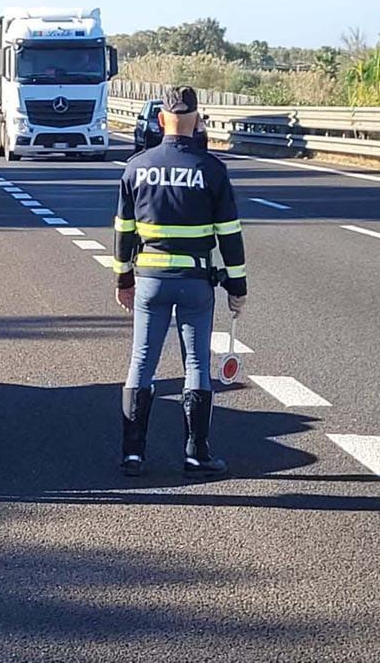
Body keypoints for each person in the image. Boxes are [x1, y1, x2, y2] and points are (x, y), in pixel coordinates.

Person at [112, 86, 248, 478]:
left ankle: (133, 455)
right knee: (197, 363)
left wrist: (123, 278)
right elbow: (230, 235)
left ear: (161, 120)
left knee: (141, 361)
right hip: (195, 282)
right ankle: (195, 454)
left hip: (150, 280)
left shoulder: (137, 167)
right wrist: (237, 288)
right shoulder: (212, 170)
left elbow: (123, 231)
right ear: (197, 120)